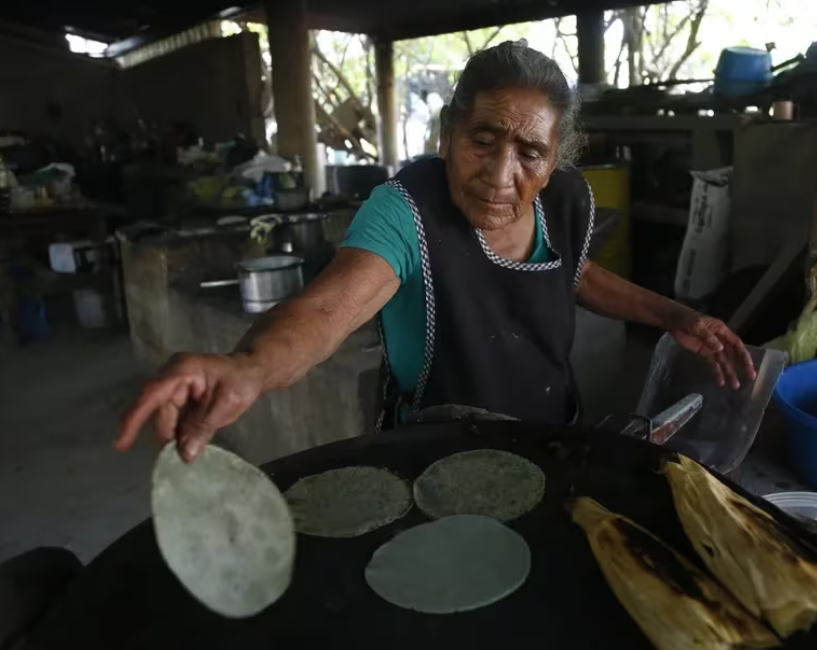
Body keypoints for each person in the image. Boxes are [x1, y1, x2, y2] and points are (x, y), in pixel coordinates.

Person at [115, 41, 755, 464]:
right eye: (483, 139)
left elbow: (576, 276)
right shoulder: (406, 210)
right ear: (450, 132)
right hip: (435, 452)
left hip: (555, 436)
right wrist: (249, 368)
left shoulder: (568, 201)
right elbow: (328, 311)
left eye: (529, 153)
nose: (500, 174)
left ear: (555, 157)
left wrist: (676, 317)